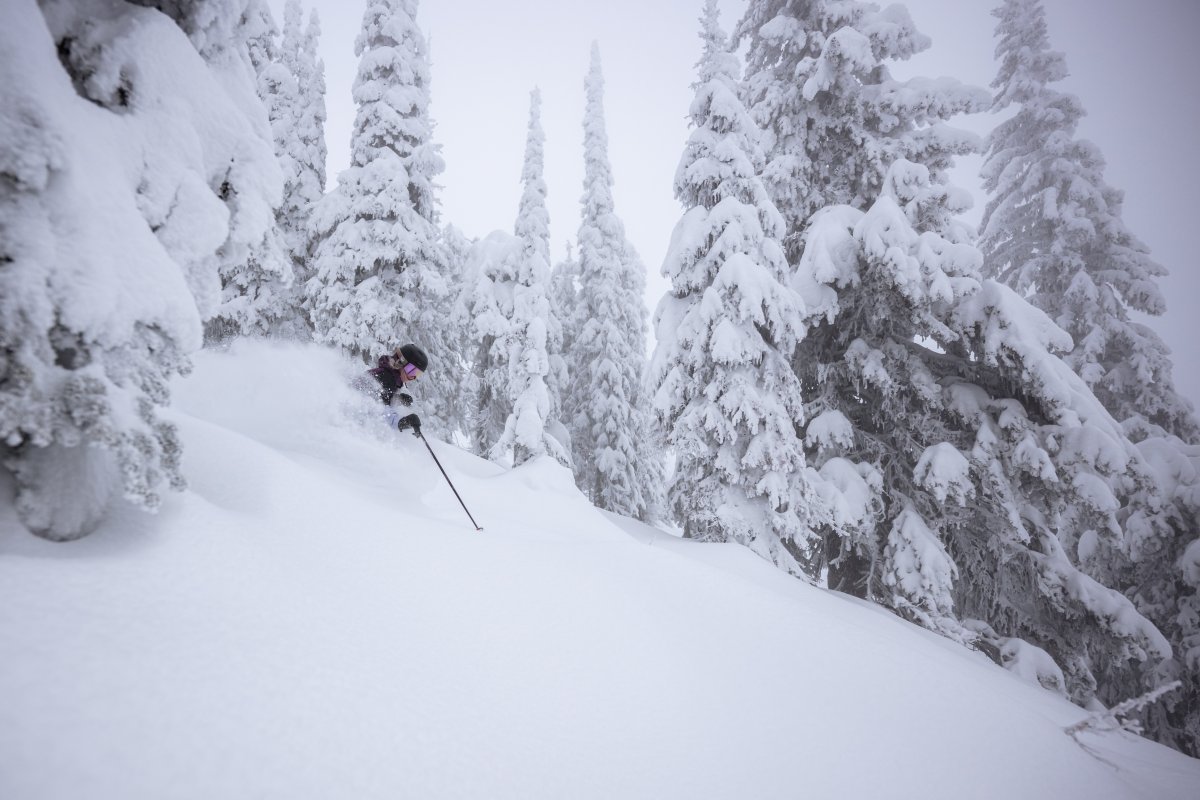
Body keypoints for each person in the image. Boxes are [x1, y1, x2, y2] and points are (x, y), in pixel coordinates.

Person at [367, 343, 428, 434]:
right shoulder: (386, 378)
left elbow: (378, 397)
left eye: (417, 374)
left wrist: (397, 399)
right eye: (411, 371)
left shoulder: (389, 377)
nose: (413, 377)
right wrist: (403, 422)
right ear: (400, 362)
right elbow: (382, 411)